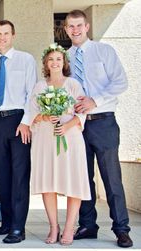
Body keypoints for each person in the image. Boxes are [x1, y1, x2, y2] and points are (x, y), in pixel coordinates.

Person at [64, 10, 132, 248]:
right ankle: (88, 225)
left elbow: (121, 82)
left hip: (103, 121)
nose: (75, 30)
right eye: (71, 27)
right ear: (66, 29)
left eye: (79, 25)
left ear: (87, 26)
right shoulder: (65, 57)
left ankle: (121, 229)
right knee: (83, 179)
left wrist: (96, 100)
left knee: (111, 178)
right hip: (77, 126)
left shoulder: (104, 51)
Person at [29, 43, 91, 245]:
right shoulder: (39, 86)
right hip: (46, 139)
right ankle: (53, 226)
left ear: (64, 62)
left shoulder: (73, 84)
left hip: (70, 138)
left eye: (58, 59)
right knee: (49, 183)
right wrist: (45, 116)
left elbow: (82, 112)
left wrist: (67, 126)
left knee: (73, 182)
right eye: (51, 59)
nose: (55, 63)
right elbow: (32, 113)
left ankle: (69, 227)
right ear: (45, 64)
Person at [0, 20, 37, 244]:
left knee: (19, 175)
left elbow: (32, 94)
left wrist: (26, 122)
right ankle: (5, 222)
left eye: (7, 33)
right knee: (2, 175)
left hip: (18, 122)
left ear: (13, 35)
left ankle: (18, 227)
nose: (3, 37)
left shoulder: (26, 59)